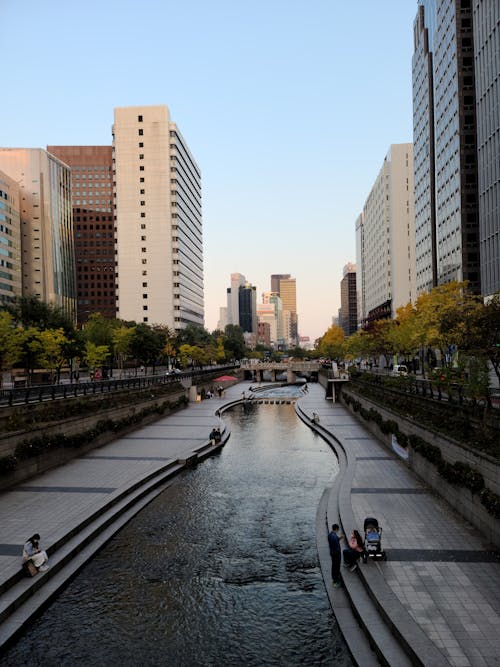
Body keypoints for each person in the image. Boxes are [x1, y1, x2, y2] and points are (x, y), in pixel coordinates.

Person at [328, 524, 343, 588]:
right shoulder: (334, 536)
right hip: (336, 554)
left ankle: (335, 579)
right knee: (336, 567)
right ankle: (336, 581)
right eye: (338, 529)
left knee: (334, 566)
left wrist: (340, 538)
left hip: (332, 553)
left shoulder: (330, 535)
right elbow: (336, 546)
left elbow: (334, 541)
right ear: (336, 529)